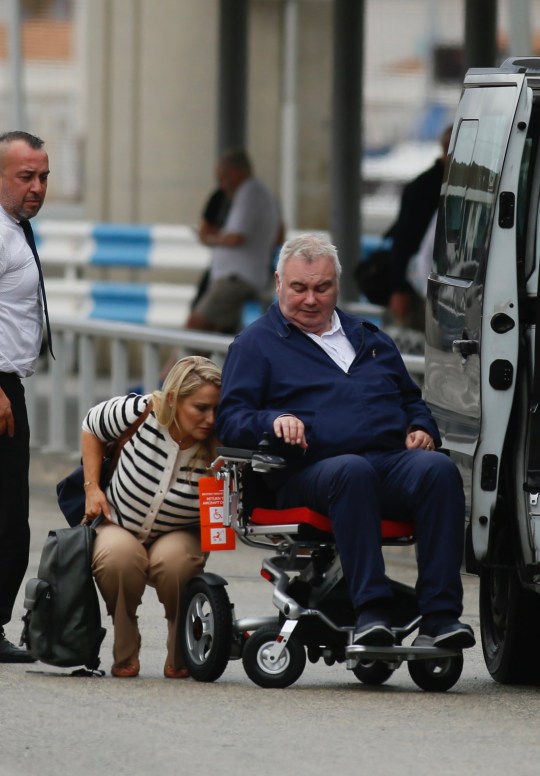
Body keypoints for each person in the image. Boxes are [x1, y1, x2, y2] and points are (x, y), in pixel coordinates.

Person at [216, 233, 475, 650]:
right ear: (279, 282)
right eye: (299, 288)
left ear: (337, 285)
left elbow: (412, 400)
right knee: (351, 471)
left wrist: (420, 428)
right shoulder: (256, 345)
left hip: (386, 462)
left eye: (322, 288)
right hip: (307, 472)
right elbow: (229, 419)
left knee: (439, 470)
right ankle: (371, 611)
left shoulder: (370, 339)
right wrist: (274, 419)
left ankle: (441, 618)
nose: (311, 300)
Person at [81, 356, 221, 678]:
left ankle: (181, 652)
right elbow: (91, 424)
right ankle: (125, 650)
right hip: (120, 523)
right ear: (173, 399)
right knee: (117, 558)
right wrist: (92, 489)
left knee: (176, 564)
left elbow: (222, 513)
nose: (210, 418)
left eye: (216, 408)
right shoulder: (141, 411)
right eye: (201, 408)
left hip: (179, 531)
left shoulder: (220, 441)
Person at [0, 131, 51, 663]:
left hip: (9, 384)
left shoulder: (17, 229)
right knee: (9, 521)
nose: (36, 187)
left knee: (9, 518)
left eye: (43, 177)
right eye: (24, 176)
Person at [185, 148, 282, 335]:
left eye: (222, 178)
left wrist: (210, 238)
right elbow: (279, 232)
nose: (221, 185)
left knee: (195, 326)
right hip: (237, 276)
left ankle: (184, 365)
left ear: (235, 172)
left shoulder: (249, 192)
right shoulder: (258, 194)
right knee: (218, 333)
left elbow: (236, 236)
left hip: (235, 279)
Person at [386, 125, 452, 329]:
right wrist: (399, 288)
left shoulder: (441, 183)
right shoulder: (424, 187)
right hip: (417, 284)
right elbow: (404, 239)